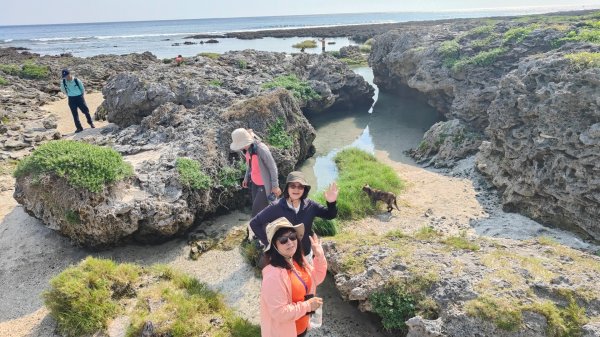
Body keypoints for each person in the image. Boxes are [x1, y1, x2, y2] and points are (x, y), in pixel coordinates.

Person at [260, 217, 326, 337]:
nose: (290, 242)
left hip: (302, 327)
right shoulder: (272, 275)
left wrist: (319, 256)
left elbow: (316, 278)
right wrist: (308, 306)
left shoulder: (297, 260)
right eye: (283, 240)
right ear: (274, 246)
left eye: (292, 237)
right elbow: (279, 312)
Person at [250, 171, 337, 259]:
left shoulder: (311, 205)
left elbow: (330, 215)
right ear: (287, 188)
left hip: (305, 253)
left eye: (300, 186)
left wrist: (331, 203)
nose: (296, 189)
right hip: (284, 257)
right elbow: (254, 223)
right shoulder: (276, 207)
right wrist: (269, 243)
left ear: (304, 189)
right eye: (293, 186)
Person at [230, 128, 282, 217]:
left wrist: (275, 186)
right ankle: (263, 226)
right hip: (254, 182)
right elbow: (250, 165)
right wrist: (246, 178)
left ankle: (256, 227)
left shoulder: (261, 149)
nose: (240, 147)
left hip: (264, 184)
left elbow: (273, 167)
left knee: (256, 212)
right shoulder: (247, 149)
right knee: (258, 207)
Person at [60, 69, 94, 133]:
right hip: (71, 99)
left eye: (67, 75)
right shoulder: (63, 82)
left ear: (70, 74)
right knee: (75, 114)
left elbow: (82, 89)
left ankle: (90, 122)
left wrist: (81, 96)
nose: (66, 77)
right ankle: (79, 128)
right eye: (64, 76)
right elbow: (63, 90)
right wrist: (68, 94)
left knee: (86, 111)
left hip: (79, 97)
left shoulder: (76, 80)